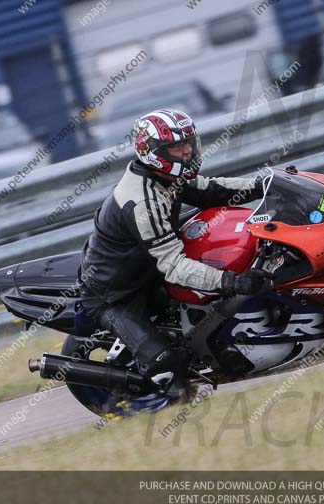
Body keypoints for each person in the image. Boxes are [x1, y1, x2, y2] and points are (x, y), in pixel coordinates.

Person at [77, 108, 271, 390]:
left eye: (189, 143)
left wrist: (262, 184)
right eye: (177, 147)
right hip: (116, 296)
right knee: (169, 368)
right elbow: (174, 265)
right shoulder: (143, 201)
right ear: (154, 152)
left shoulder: (166, 176)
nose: (187, 152)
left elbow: (213, 189)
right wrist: (231, 281)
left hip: (148, 272)